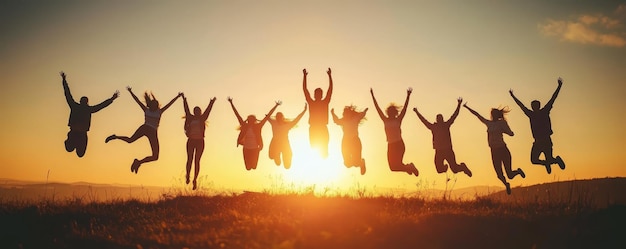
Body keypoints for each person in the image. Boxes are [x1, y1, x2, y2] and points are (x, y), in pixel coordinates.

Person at [105, 87, 182, 174]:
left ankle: (138, 162)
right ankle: (115, 137)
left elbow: (169, 104)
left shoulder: (159, 111)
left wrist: (177, 96)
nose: (154, 107)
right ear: (151, 105)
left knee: (155, 157)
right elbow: (137, 101)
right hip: (145, 128)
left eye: (155, 105)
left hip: (152, 132)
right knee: (130, 140)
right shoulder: (147, 110)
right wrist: (131, 92)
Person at [463, 103, 525, 195]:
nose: (492, 116)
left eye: (493, 114)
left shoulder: (502, 123)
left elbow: (511, 133)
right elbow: (477, 115)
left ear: (496, 115)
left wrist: (508, 132)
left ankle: (518, 171)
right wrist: (467, 107)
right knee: (499, 174)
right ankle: (506, 184)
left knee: (510, 174)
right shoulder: (489, 123)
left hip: (503, 149)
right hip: (494, 151)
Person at [509, 77, 565, 174]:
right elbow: (521, 105)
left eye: (534, 106)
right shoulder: (532, 114)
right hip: (538, 142)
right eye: (532, 106)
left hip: (545, 140)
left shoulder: (544, 111)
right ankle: (547, 163)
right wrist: (513, 96)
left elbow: (553, 98)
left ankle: (556, 160)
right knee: (534, 160)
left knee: (549, 159)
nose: (533, 107)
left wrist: (559, 86)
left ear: (538, 106)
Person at [60, 71, 119, 157]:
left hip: (78, 133)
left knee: (77, 152)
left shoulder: (76, 106)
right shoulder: (85, 108)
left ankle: (72, 144)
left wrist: (64, 80)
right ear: (86, 102)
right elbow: (101, 106)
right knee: (75, 151)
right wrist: (112, 99)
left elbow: (67, 94)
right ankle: (71, 144)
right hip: (78, 133)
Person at [414, 97, 472, 177]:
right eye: (439, 119)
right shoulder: (434, 127)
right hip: (439, 151)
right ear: (437, 120)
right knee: (439, 170)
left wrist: (458, 105)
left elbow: (454, 115)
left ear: (442, 119)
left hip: (448, 150)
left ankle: (463, 167)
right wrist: (417, 112)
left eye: (441, 119)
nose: (440, 120)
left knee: (454, 169)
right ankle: (446, 168)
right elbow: (424, 121)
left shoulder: (446, 125)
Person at [370, 88, 419, 176]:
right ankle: (409, 167)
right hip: (390, 145)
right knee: (392, 168)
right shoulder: (385, 120)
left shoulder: (398, 120)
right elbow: (378, 109)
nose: (391, 113)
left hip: (399, 144)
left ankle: (409, 167)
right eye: (389, 112)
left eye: (392, 112)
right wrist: (373, 96)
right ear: (388, 113)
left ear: (395, 113)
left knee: (397, 165)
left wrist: (408, 96)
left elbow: (405, 109)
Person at [228, 97, 280, 170]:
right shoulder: (244, 126)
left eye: (252, 120)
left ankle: (252, 164)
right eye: (249, 120)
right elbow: (237, 115)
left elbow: (267, 116)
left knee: (254, 167)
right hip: (246, 149)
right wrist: (231, 103)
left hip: (255, 149)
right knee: (248, 168)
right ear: (248, 120)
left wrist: (276, 106)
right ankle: (249, 165)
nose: (250, 121)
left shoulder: (258, 126)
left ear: (254, 120)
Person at [182, 95, 216, 190]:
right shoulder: (190, 118)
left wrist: (211, 102)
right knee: (189, 159)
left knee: (197, 161)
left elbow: (208, 111)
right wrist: (184, 100)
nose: (196, 112)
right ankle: (188, 175)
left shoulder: (202, 118)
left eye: (198, 111)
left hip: (200, 141)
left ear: (200, 112)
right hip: (191, 141)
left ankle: (195, 180)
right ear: (194, 112)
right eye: (195, 111)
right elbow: (186, 110)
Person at [302, 68, 333, 158]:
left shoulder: (325, 102)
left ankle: (324, 152)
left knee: (324, 152)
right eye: (317, 93)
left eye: (319, 94)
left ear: (321, 95)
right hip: (314, 128)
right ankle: (322, 154)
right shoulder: (312, 103)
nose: (318, 95)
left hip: (322, 128)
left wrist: (330, 76)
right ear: (315, 95)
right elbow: (305, 90)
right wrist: (304, 77)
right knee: (314, 147)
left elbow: (330, 90)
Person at [268, 103, 308, 169]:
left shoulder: (287, 125)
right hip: (275, 142)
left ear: (282, 118)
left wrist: (304, 111)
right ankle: (276, 156)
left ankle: (283, 156)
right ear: (276, 118)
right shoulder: (273, 123)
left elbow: (297, 119)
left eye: (279, 117)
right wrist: (276, 105)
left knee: (287, 166)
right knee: (272, 158)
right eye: (277, 117)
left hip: (284, 143)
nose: (278, 118)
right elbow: (268, 115)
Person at [331, 105, 368, 175]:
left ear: (350, 114)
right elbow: (336, 121)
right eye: (344, 113)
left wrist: (365, 111)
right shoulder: (343, 121)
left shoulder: (355, 119)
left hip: (355, 141)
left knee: (356, 163)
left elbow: (362, 115)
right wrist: (333, 113)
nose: (345, 115)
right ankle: (355, 161)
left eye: (346, 113)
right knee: (347, 164)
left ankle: (361, 163)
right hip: (346, 142)